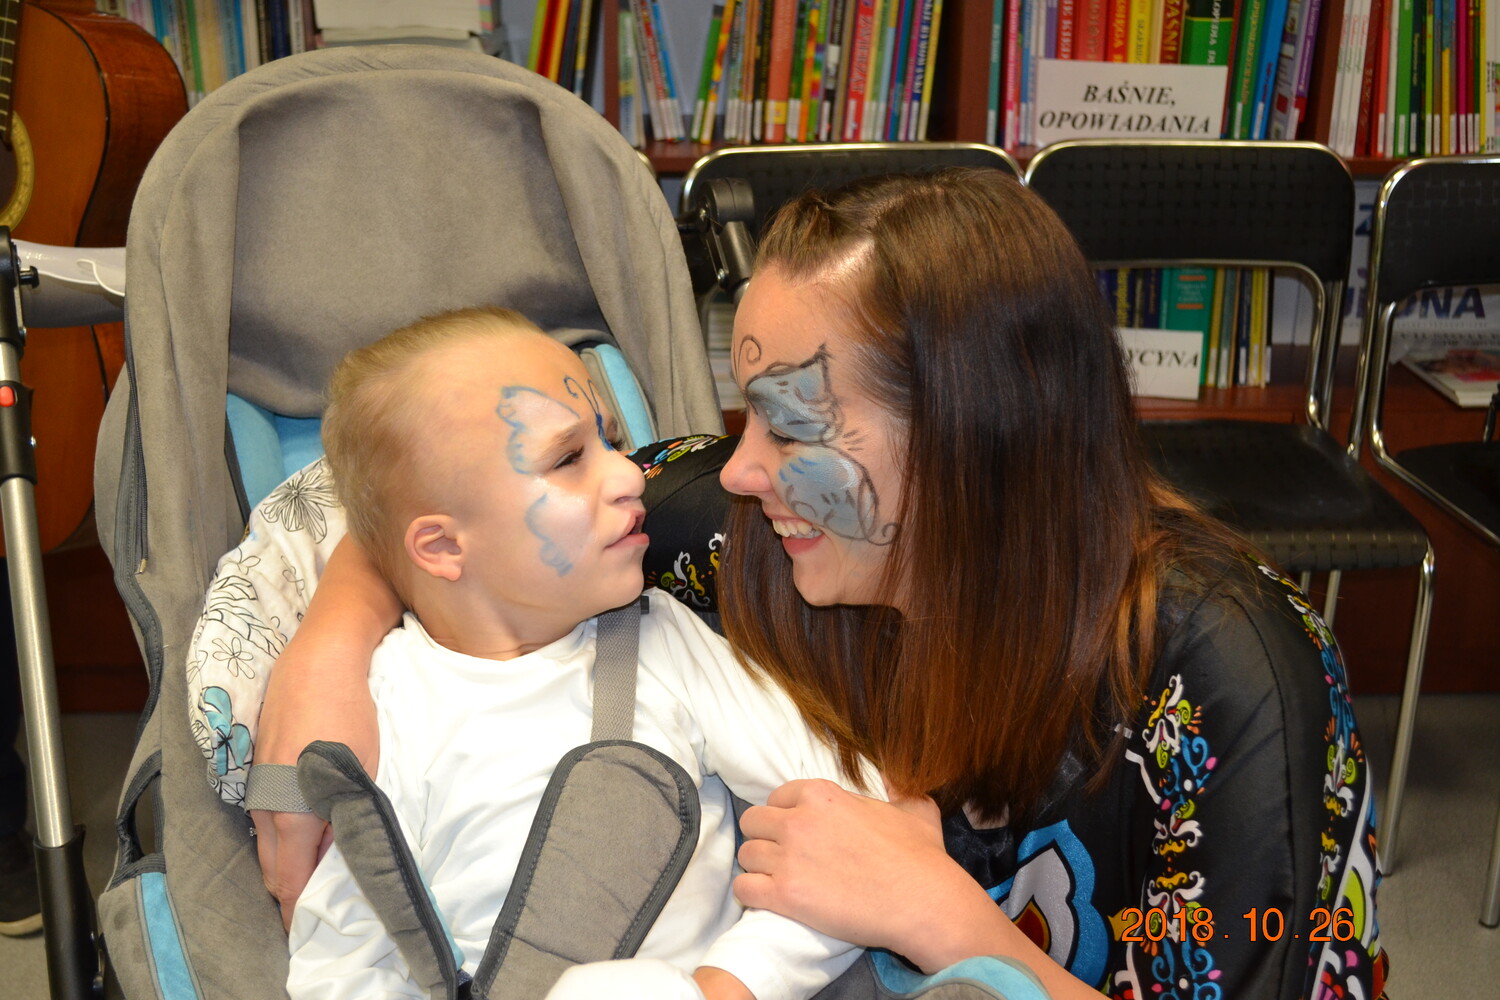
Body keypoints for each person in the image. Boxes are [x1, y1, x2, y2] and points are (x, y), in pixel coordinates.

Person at [252, 170, 1388, 1000]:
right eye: (743, 416)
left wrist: (940, 915)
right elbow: (447, 511)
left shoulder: (1230, 679)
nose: (737, 469)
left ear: (973, 433)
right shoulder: (732, 535)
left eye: (793, 427)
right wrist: (332, 641)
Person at [283, 307, 877, 1000]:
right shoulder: (389, 706)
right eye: (569, 459)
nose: (629, 475)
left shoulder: (664, 641)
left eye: (611, 440)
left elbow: (856, 822)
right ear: (443, 546)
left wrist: (737, 981)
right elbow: (342, 961)